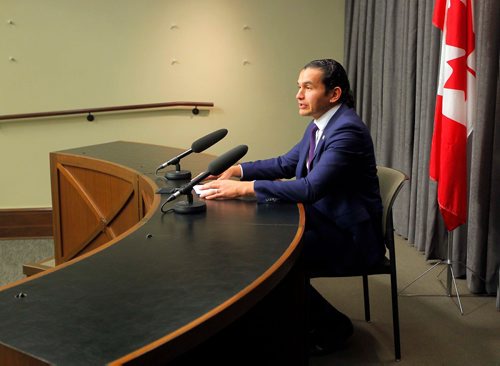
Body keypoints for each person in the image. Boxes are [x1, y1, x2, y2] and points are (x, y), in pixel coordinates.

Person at [198, 59, 385, 355]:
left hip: (352, 239)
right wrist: (239, 171)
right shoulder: (319, 125)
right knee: (259, 242)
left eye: (308, 87)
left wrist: (245, 189)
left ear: (333, 94)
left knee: (270, 259)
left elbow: (311, 188)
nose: (298, 94)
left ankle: (333, 326)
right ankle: (280, 321)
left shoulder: (347, 130)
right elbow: (286, 163)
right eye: (299, 87)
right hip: (324, 220)